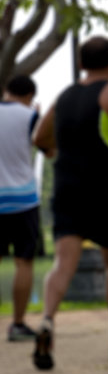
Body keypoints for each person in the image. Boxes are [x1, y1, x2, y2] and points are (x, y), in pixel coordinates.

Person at [31, 36, 108, 370]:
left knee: (63, 262)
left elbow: (39, 137)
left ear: (81, 64)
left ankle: (48, 320)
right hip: (105, 190)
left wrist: (52, 152)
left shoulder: (64, 96)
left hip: (66, 187)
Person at [1, 75, 42, 342]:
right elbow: (49, 150)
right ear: (30, 95)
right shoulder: (30, 116)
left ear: (6, 91)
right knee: (24, 261)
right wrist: (38, 116)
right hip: (23, 199)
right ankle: (17, 324)